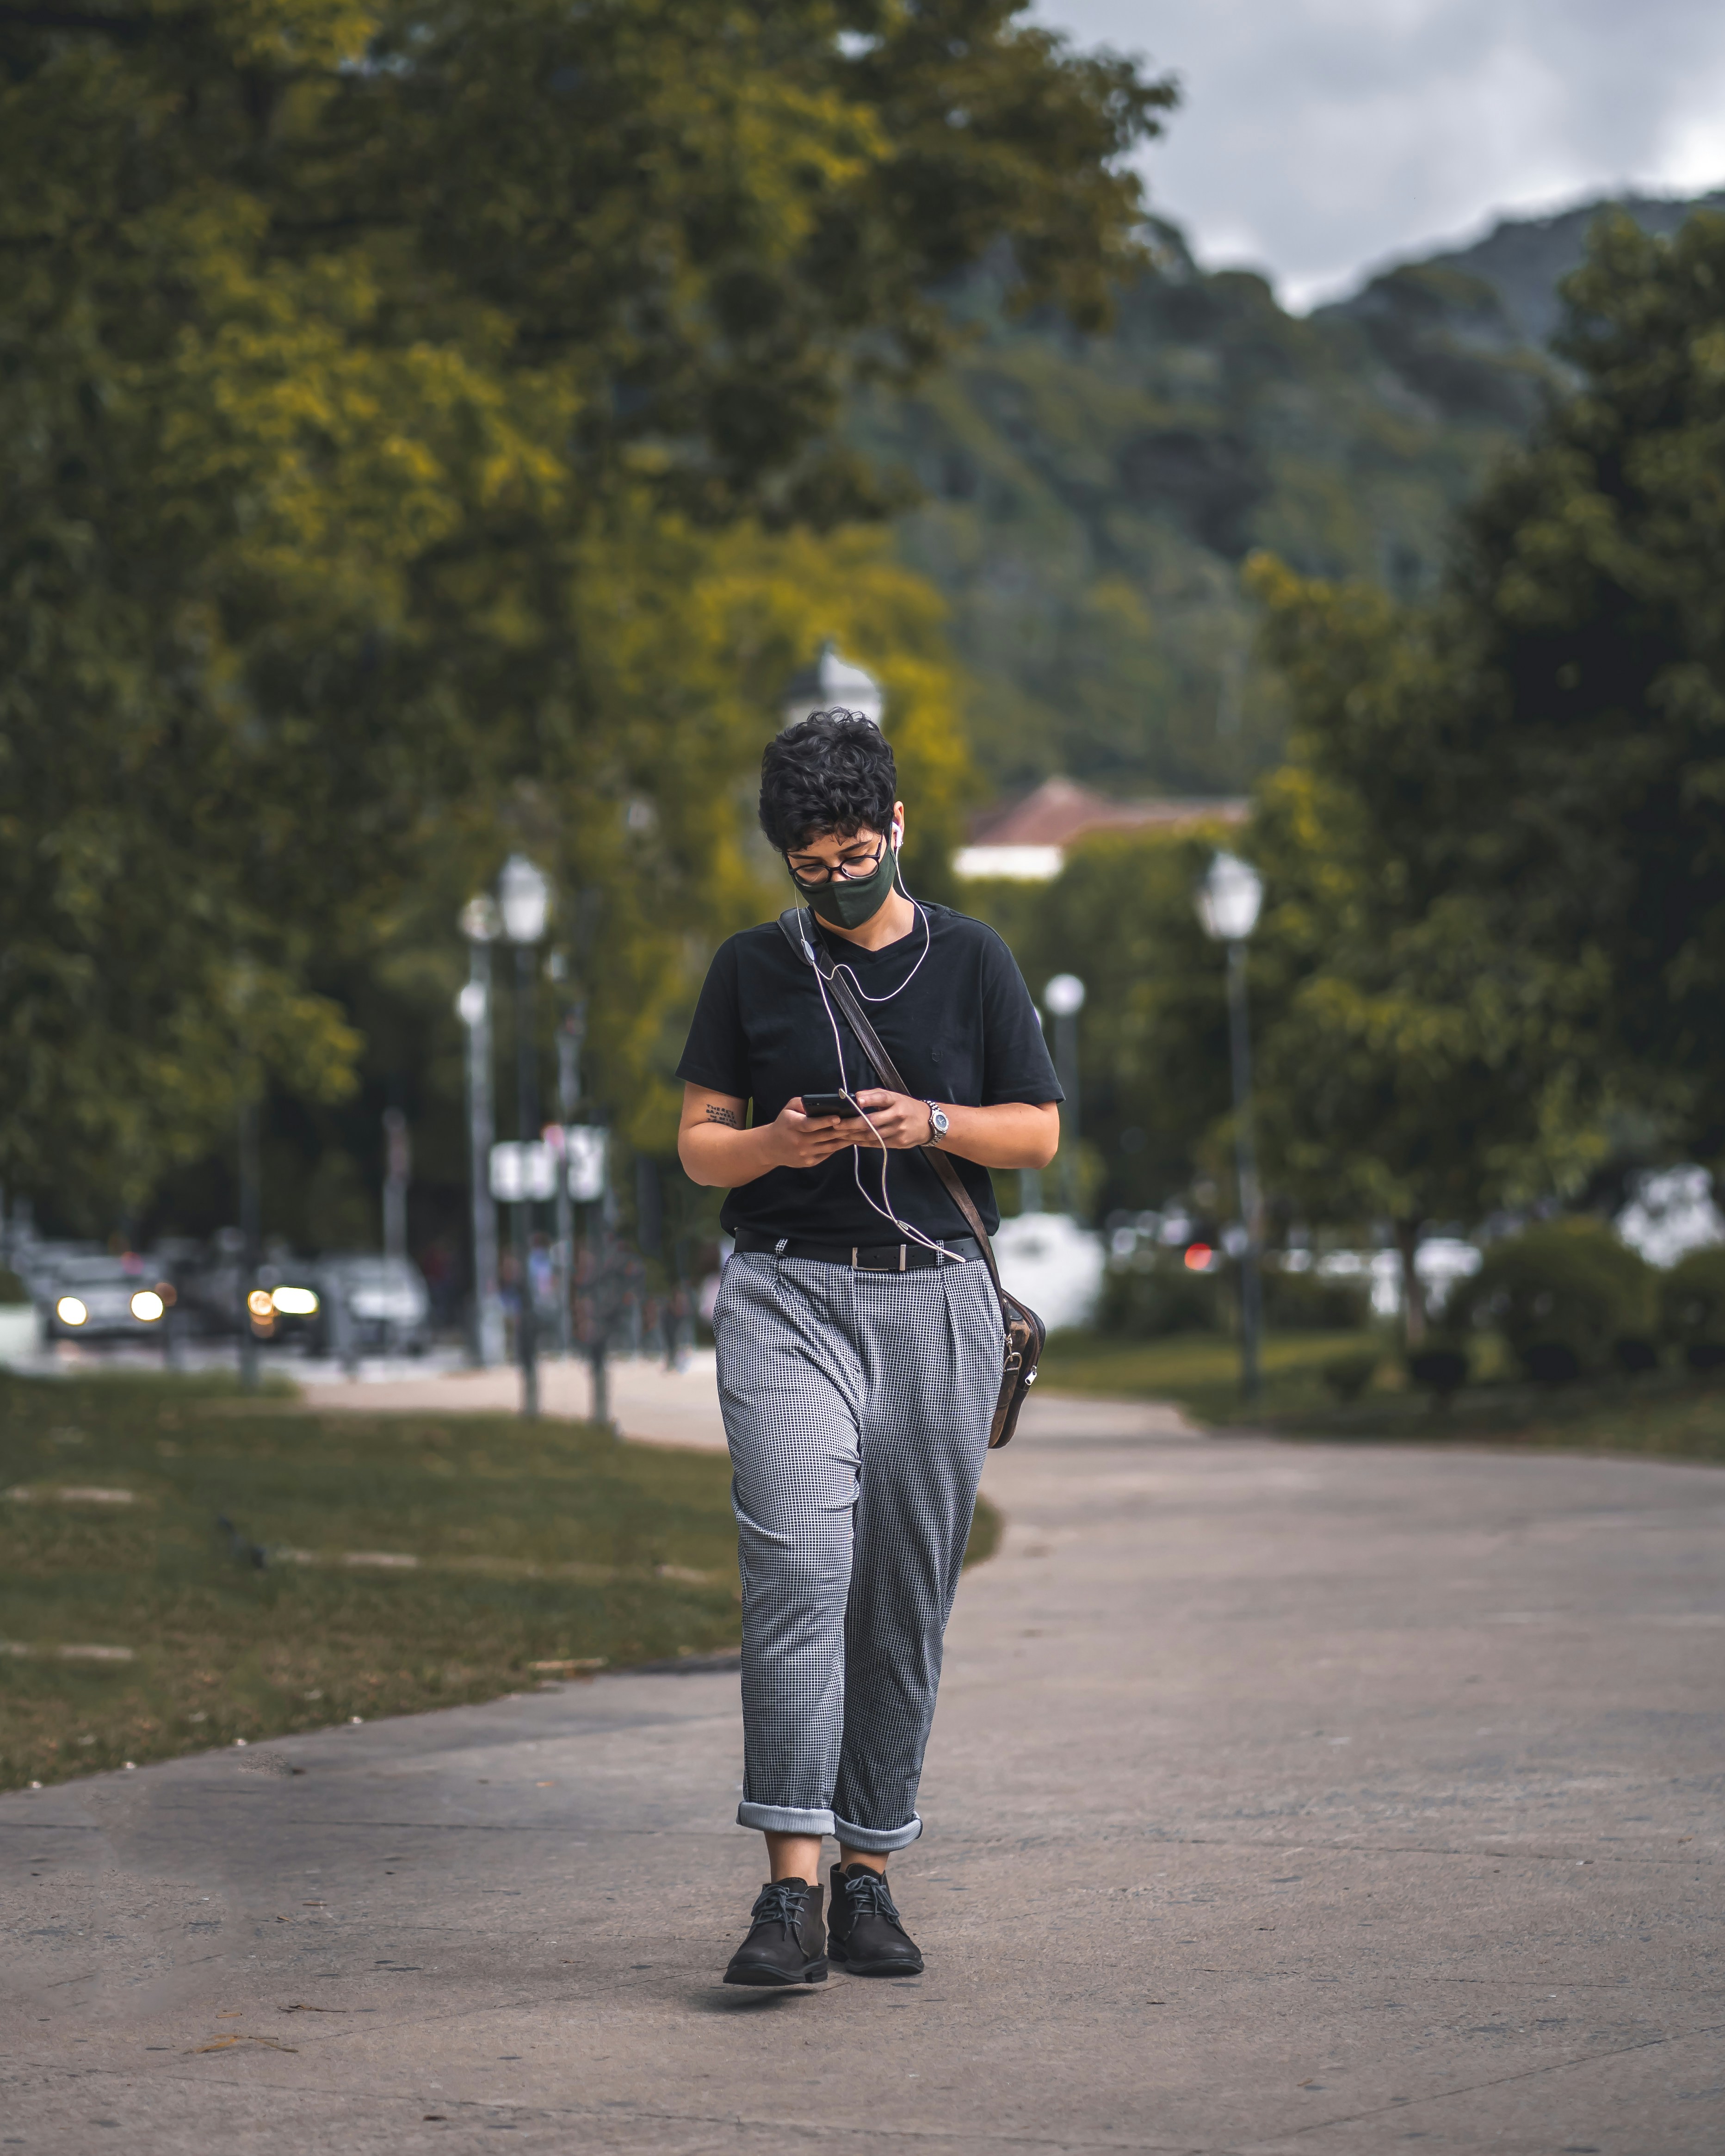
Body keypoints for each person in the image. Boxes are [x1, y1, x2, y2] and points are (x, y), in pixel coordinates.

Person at [676, 707, 1062, 1987]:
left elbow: (1038, 1132)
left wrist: (931, 1120)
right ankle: (788, 1890)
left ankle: (867, 1876)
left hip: (935, 1302)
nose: (838, 879)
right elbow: (699, 1146)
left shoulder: (975, 959)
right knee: (798, 1559)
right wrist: (774, 1143)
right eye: (811, 864)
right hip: (786, 1295)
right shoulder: (750, 967)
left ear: (897, 826)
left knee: (902, 1598)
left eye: (855, 853)